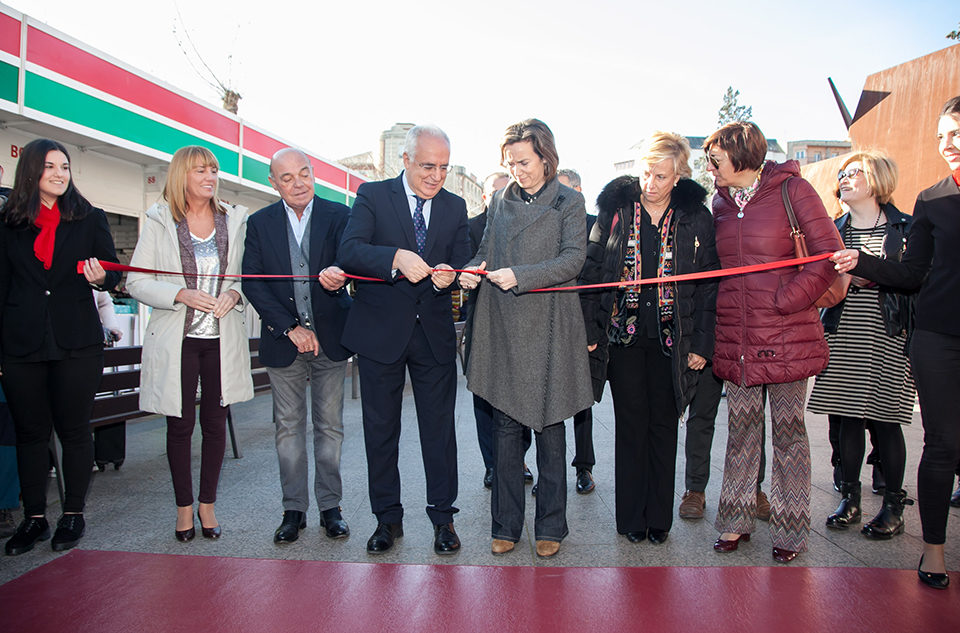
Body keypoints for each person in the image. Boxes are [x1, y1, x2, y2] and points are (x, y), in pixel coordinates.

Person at [832, 95, 960, 589]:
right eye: (940, 136)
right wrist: (857, 262)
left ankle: (894, 504)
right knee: (941, 442)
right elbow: (911, 275)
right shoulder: (933, 200)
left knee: (895, 425)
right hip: (935, 336)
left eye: (954, 133)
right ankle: (933, 550)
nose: (945, 144)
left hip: (892, 336)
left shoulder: (906, 217)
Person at [706, 121, 841, 564]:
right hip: (738, 335)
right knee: (740, 431)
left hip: (787, 334)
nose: (711, 167)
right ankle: (735, 519)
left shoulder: (793, 190)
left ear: (742, 155)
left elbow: (828, 255)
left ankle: (790, 527)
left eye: (716, 159)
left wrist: (787, 300)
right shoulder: (720, 203)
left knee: (788, 433)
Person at [460, 118, 593, 558]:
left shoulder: (570, 202)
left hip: (551, 324)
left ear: (545, 157)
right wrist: (472, 273)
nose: (517, 170)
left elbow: (573, 259)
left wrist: (520, 275)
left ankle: (551, 527)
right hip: (503, 325)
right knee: (504, 430)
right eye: (511, 163)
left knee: (551, 431)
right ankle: (506, 525)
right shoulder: (499, 200)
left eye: (524, 161)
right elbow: (485, 252)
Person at [579, 132, 718, 544]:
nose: (651, 184)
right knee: (631, 427)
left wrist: (702, 345)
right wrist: (590, 329)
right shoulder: (616, 209)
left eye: (660, 176)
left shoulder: (696, 216)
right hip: (622, 337)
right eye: (645, 173)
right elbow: (591, 270)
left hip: (674, 340)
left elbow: (710, 285)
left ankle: (658, 520)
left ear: (678, 176)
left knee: (664, 426)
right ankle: (630, 521)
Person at [339, 125, 470, 555]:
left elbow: (464, 257)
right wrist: (394, 257)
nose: (436, 176)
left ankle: (444, 519)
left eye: (444, 168)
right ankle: (386, 520)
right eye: (428, 166)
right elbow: (351, 250)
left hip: (432, 335)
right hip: (380, 334)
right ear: (406, 160)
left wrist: (454, 273)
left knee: (440, 431)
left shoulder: (454, 206)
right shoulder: (372, 196)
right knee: (380, 431)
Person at [126, 145, 253, 542]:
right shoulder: (160, 220)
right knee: (179, 426)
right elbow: (136, 281)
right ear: (182, 176)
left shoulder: (232, 220)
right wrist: (180, 294)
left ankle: (208, 505)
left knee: (216, 425)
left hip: (220, 338)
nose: (210, 177)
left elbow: (246, 275)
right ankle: (183, 509)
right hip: (177, 340)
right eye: (200, 170)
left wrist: (235, 294)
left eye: (213, 170)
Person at [0, 138, 120, 555]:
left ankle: (73, 514)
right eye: (50, 166)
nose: (59, 173)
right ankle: (34, 519)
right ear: (30, 172)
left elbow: (111, 273)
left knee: (73, 430)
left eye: (65, 167)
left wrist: (99, 278)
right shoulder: (9, 223)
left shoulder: (89, 218)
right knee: (30, 433)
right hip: (21, 343)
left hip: (76, 341)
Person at [242, 148, 353, 544]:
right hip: (283, 342)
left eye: (303, 173)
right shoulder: (260, 223)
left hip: (331, 341)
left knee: (330, 428)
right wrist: (289, 327)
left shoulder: (340, 215)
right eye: (286, 177)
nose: (298, 183)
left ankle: (331, 508)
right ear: (273, 183)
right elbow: (253, 281)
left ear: (313, 174)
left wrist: (342, 274)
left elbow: (353, 261)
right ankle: (294, 510)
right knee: (288, 429)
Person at [808, 151, 915, 539]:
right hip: (843, 329)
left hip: (887, 333)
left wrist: (865, 267)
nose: (845, 179)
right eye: (842, 174)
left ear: (878, 178)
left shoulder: (905, 228)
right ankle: (849, 498)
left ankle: (892, 505)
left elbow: (912, 276)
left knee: (886, 419)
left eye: (854, 173)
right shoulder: (834, 228)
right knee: (846, 416)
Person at [464, 171, 533, 490]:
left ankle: (518, 458)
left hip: (521, 325)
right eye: (496, 191)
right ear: (484, 197)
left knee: (522, 396)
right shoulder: (473, 227)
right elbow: (464, 265)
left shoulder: (526, 221)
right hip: (485, 322)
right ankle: (492, 464)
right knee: (485, 399)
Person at [557, 167, 597, 495]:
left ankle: (584, 467)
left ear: (579, 192)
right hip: (551, 322)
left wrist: (592, 331)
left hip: (583, 325)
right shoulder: (547, 225)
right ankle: (548, 471)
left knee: (582, 402)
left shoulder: (595, 225)